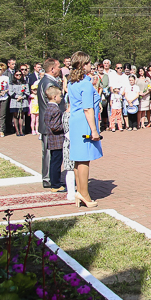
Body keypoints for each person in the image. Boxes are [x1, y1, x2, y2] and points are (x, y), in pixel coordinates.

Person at [67, 51, 101, 208]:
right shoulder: (85, 84)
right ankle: (84, 193)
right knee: (84, 159)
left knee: (78, 159)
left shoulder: (72, 82)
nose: (90, 65)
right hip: (84, 123)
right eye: (88, 63)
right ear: (82, 65)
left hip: (75, 122)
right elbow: (88, 108)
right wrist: (94, 130)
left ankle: (80, 191)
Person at [37, 58, 64, 187]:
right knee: (49, 153)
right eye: (58, 66)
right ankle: (48, 179)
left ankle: (51, 178)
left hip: (48, 123)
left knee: (50, 153)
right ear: (52, 69)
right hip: (50, 125)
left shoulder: (47, 81)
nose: (60, 69)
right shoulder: (48, 83)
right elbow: (52, 105)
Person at [44, 84, 66, 192]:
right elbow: (55, 127)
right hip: (57, 140)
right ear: (54, 97)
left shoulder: (48, 108)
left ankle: (55, 181)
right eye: (60, 96)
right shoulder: (56, 110)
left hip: (52, 139)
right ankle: (55, 185)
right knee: (56, 163)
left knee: (54, 161)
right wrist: (65, 126)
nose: (61, 98)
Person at [9, 69, 30, 136]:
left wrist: (22, 97)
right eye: (17, 75)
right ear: (14, 75)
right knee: (15, 116)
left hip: (23, 100)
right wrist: (17, 97)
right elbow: (10, 92)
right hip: (15, 101)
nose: (18, 76)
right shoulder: (12, 83)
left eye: (20, 75)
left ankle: (21, 130)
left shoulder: (25, 82)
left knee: (21, 115)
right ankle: (17, 130)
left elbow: (27, 92)